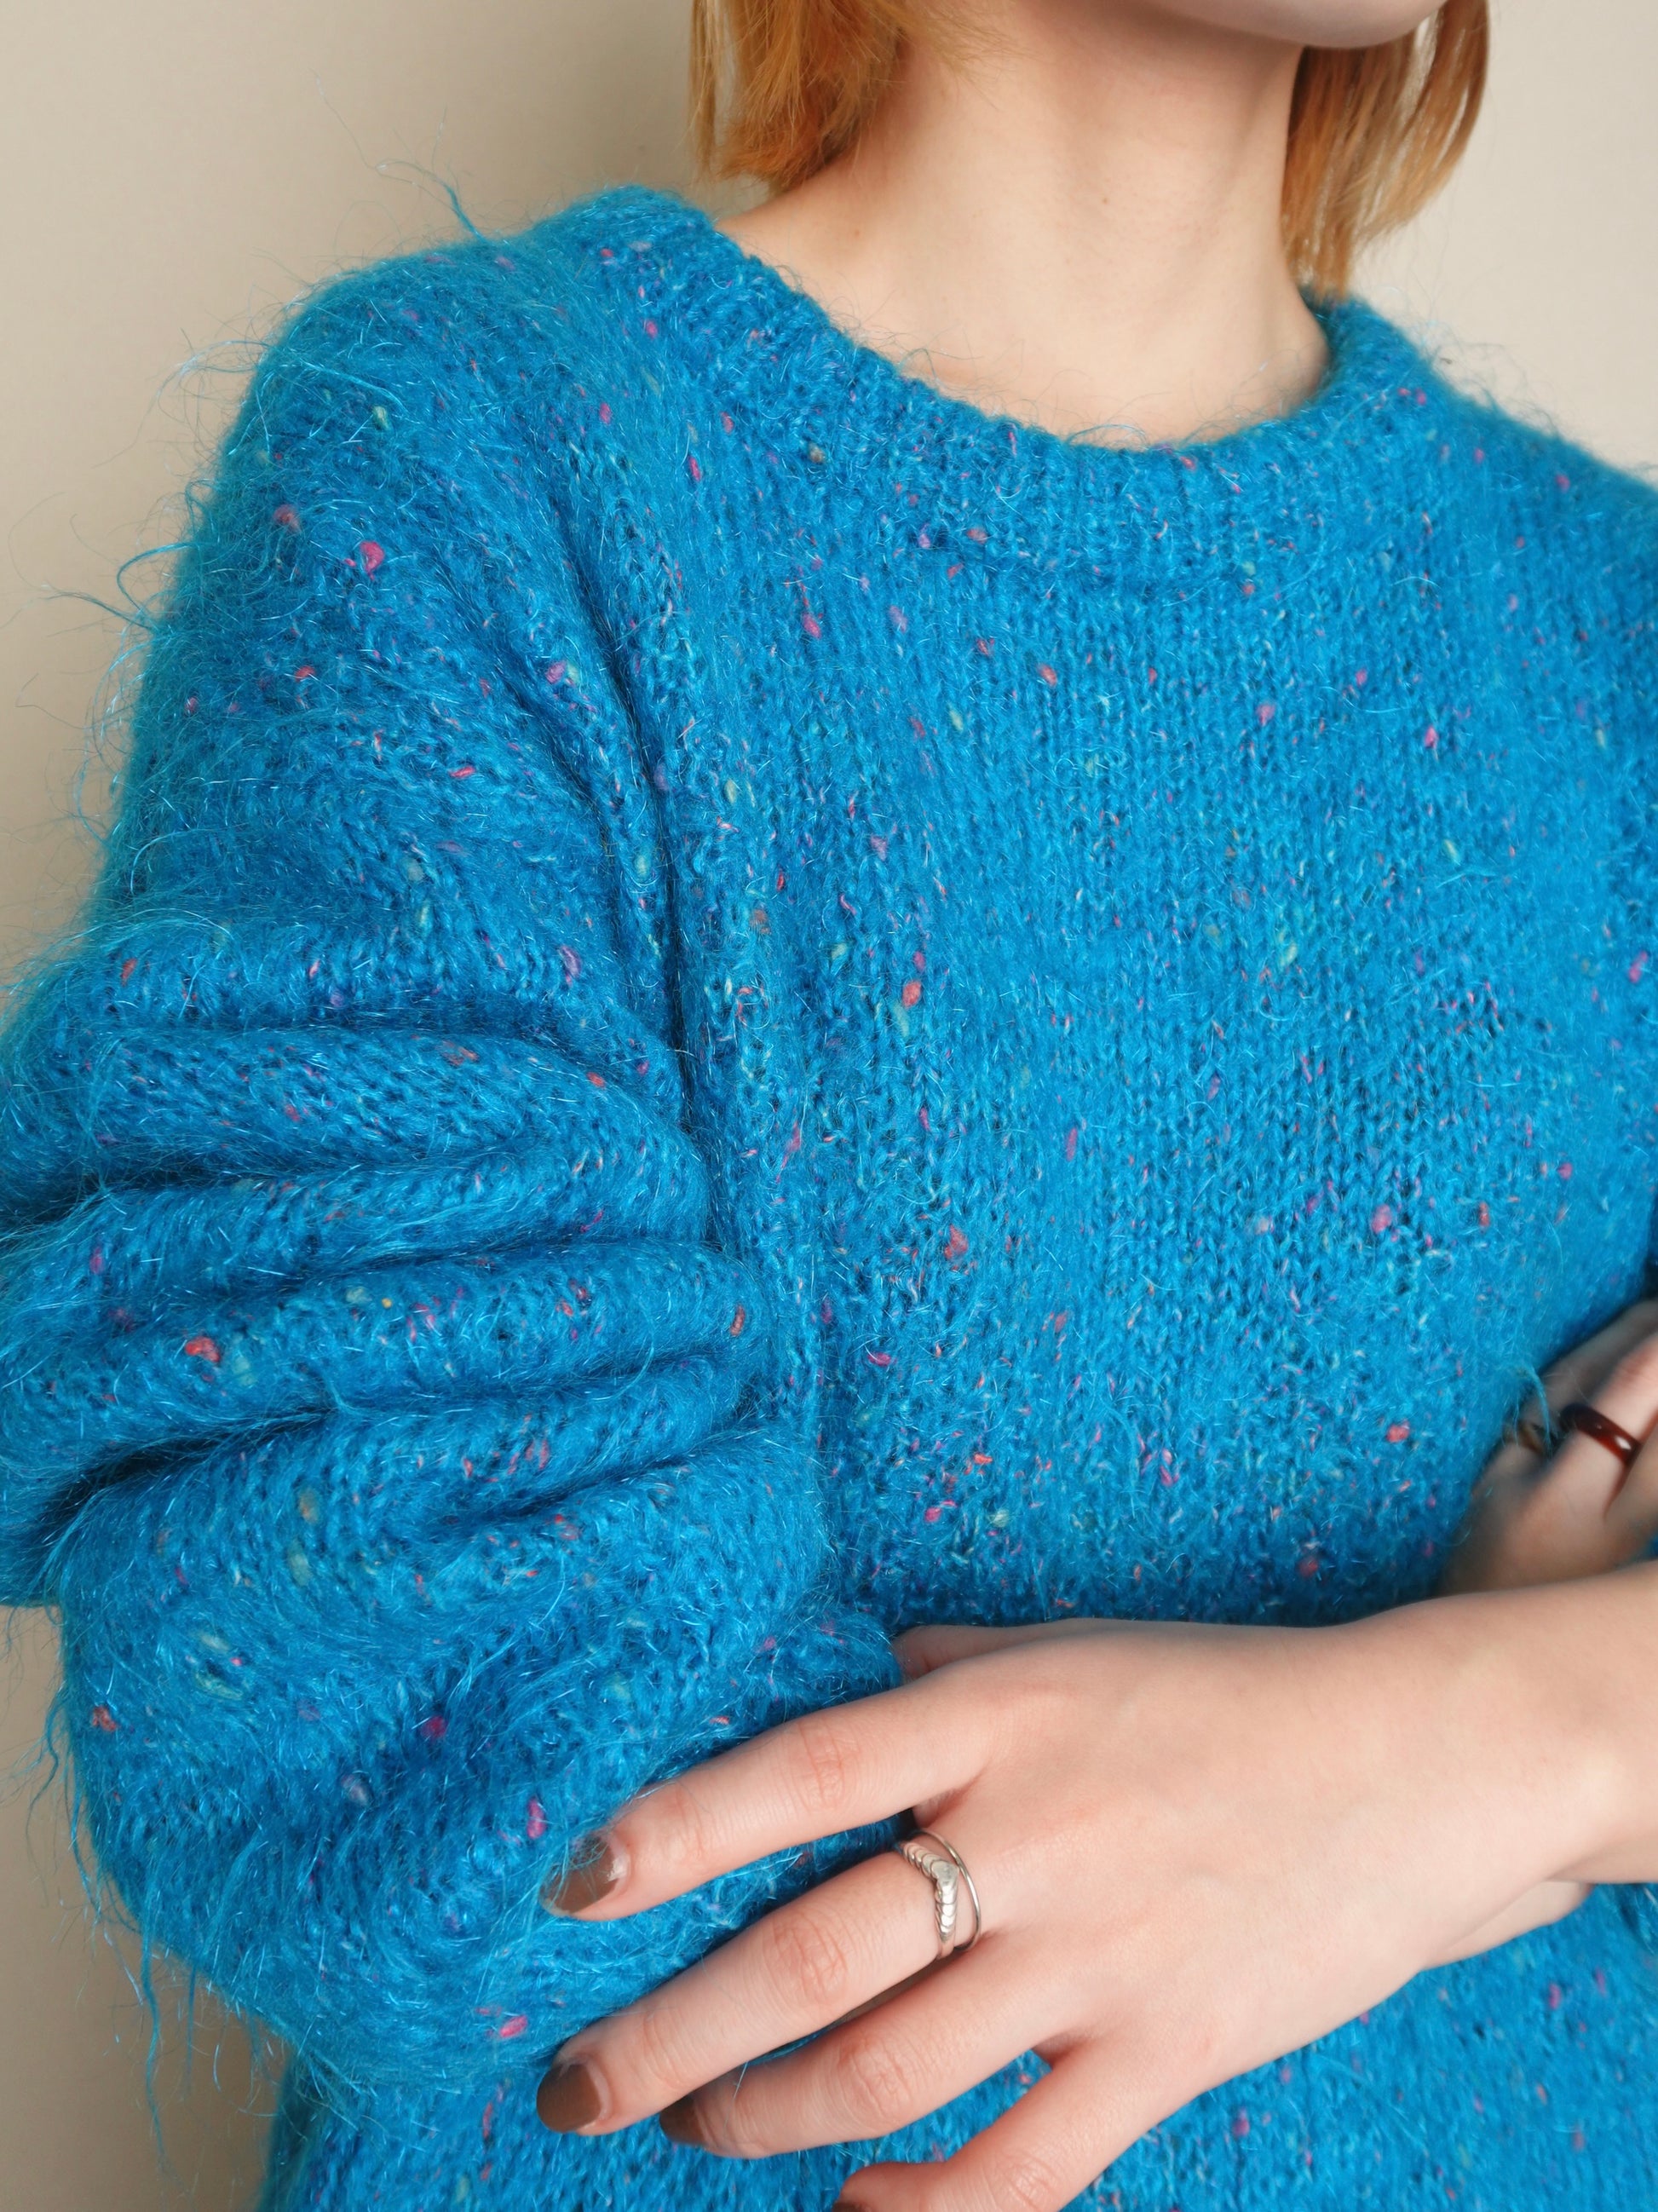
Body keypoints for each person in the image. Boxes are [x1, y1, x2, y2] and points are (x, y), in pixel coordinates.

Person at [3, 1, 1657, 2207]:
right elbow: (413, 1732)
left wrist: (1491, 1736)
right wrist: (1504, 1776)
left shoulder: (1614, 628)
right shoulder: (483, 462)